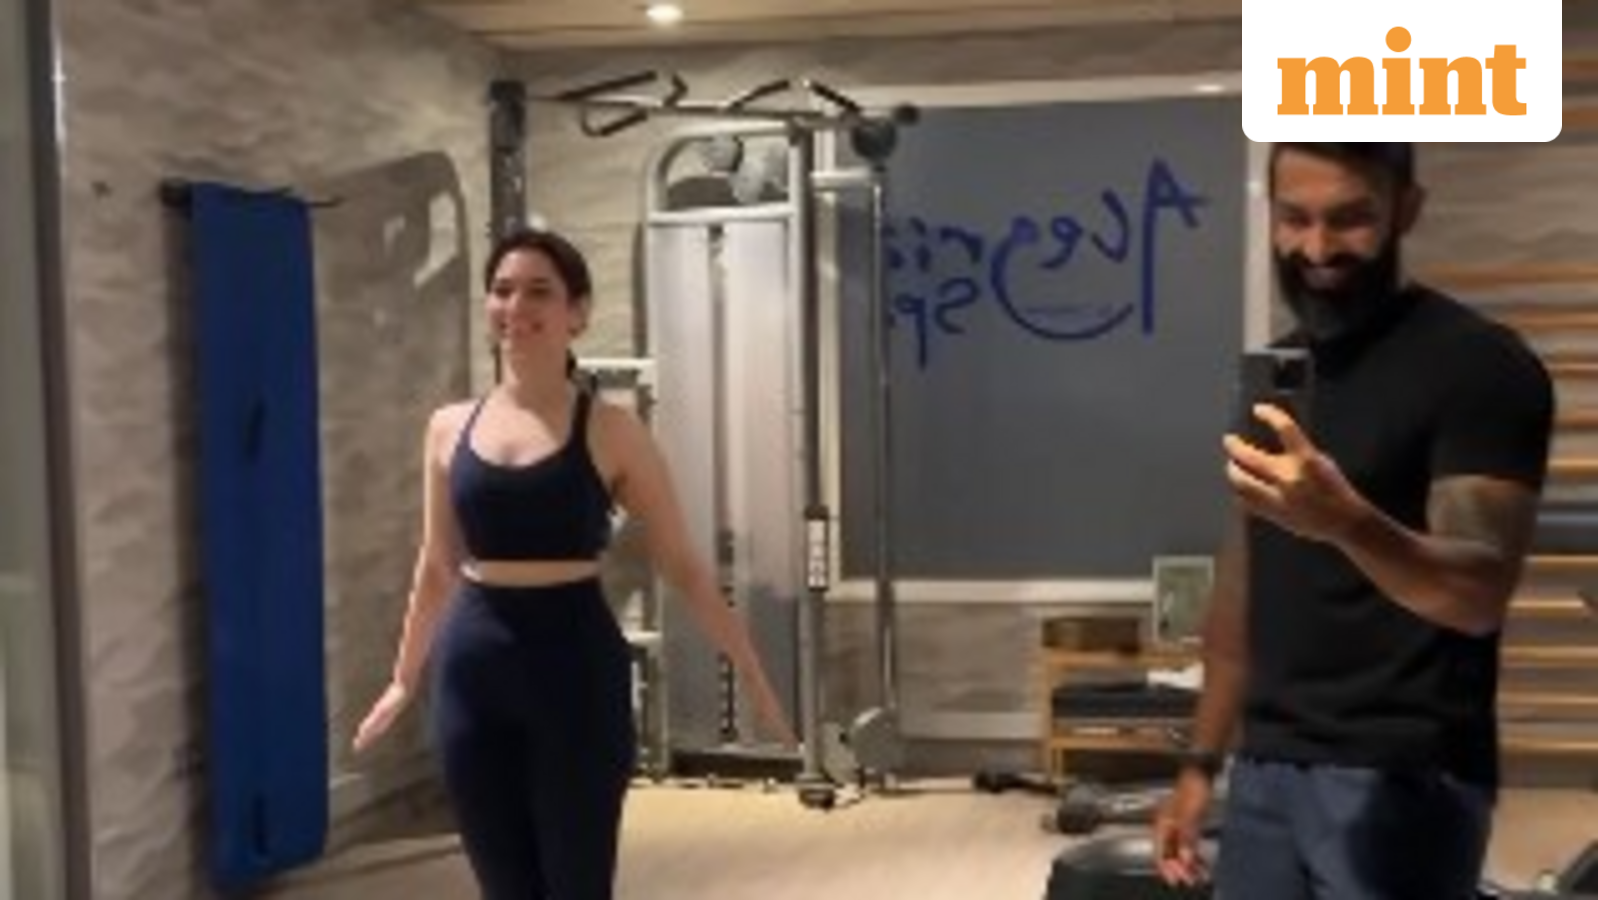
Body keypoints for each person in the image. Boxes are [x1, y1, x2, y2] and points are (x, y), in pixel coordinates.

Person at [1154, 142, 1555, 899]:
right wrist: (1200, 763)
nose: (1317, 248)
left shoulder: (1478, 366)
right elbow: (1245, 585)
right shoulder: (1278, 376)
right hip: (1267, 765)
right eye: (1294, 218)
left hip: (1406, 775)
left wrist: (1345, 522)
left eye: (1349, 219)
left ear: (1407, 209)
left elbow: (1476, 593)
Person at [351, 227, 798, 900]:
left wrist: (754, 676)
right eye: (502, 290)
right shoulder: (448, 427)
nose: (516, 307)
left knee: (577, 882)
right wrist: (401, 679)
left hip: (575, 673)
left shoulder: (613, 431)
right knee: (506, 886)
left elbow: (682, 564)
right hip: (472, 673)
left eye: (538, 291)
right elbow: (438, 564)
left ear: (577, 313)